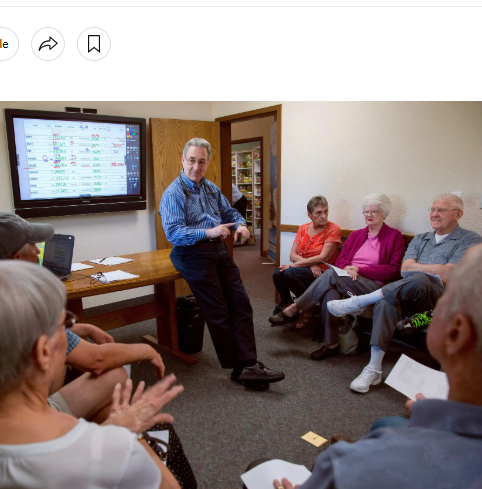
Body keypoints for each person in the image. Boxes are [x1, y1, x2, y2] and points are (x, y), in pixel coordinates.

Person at [0, 260, 186, 489]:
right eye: (64, 325)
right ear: (43, 352)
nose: (69, 334)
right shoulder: (109, 451)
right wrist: (129, 436)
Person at [263, 242, 482, 489]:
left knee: (258, 467)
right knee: (385, 422)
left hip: (382, 469)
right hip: (394, 295)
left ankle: (326, 312)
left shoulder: (342, 466)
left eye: (449, 297)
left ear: (457, 332)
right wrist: (433, 417)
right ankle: (369, 363)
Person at [0, 212, 165, 422]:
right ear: (16, 259)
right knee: (115, 375)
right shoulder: (14, 304)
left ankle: (100, 444)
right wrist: (146, 350)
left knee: (103, 402)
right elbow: (96, 360)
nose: (38, 251)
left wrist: (84, 327)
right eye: (33, 246)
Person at [159, 137, 285, 388]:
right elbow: (173, 234)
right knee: (218, 311)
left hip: (216, 249)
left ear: (208, 162)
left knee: (241, 303)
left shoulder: (210, 188)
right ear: (183, 160)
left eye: (202, 161)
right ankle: (239, 366)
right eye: (192, 160)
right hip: (190, 252)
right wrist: (209, 232)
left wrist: (241, 225)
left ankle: (248, 363)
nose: (196, 167)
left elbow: (231, 213)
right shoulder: (173, 193)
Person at [326, 193, 482, 393]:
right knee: (386, 302)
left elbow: (449, 273)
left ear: (458, 214)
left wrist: (420, 269)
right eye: (432, 210)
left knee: (420, 278)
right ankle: (373, 368)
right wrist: (428, 269)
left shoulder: (469, 239)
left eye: (441, 210)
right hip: (410, 296)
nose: (434, 214)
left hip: (441, 302)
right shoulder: (420, 238)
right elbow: (404, 269)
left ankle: (361, 301)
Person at [270, 194, 404, 363]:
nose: (369, 215)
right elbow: (341, 259)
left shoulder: (394, 236)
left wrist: (360, 268)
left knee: (330, 274)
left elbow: (394, 270)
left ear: (384, 213)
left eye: (374, 212)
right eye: (366, 212)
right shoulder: (356, 235)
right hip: (348, 279)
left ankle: (295, 307)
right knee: (329, 293)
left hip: (374, 287)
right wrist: (348, 267)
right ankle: (331, 345)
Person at [271, 196, 341, 327]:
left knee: (289, 273)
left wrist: (298, 264)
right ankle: (289, 305)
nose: (324, 216)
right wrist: (311, 264)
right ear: (309, 215)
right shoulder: (303, 228)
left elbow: (323, 257)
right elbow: (292, 255)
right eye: (318, 213)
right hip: (310, 268)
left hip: (323, 273)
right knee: (277, 273)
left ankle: (308, 308)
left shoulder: (333, 229)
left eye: (326, 211)